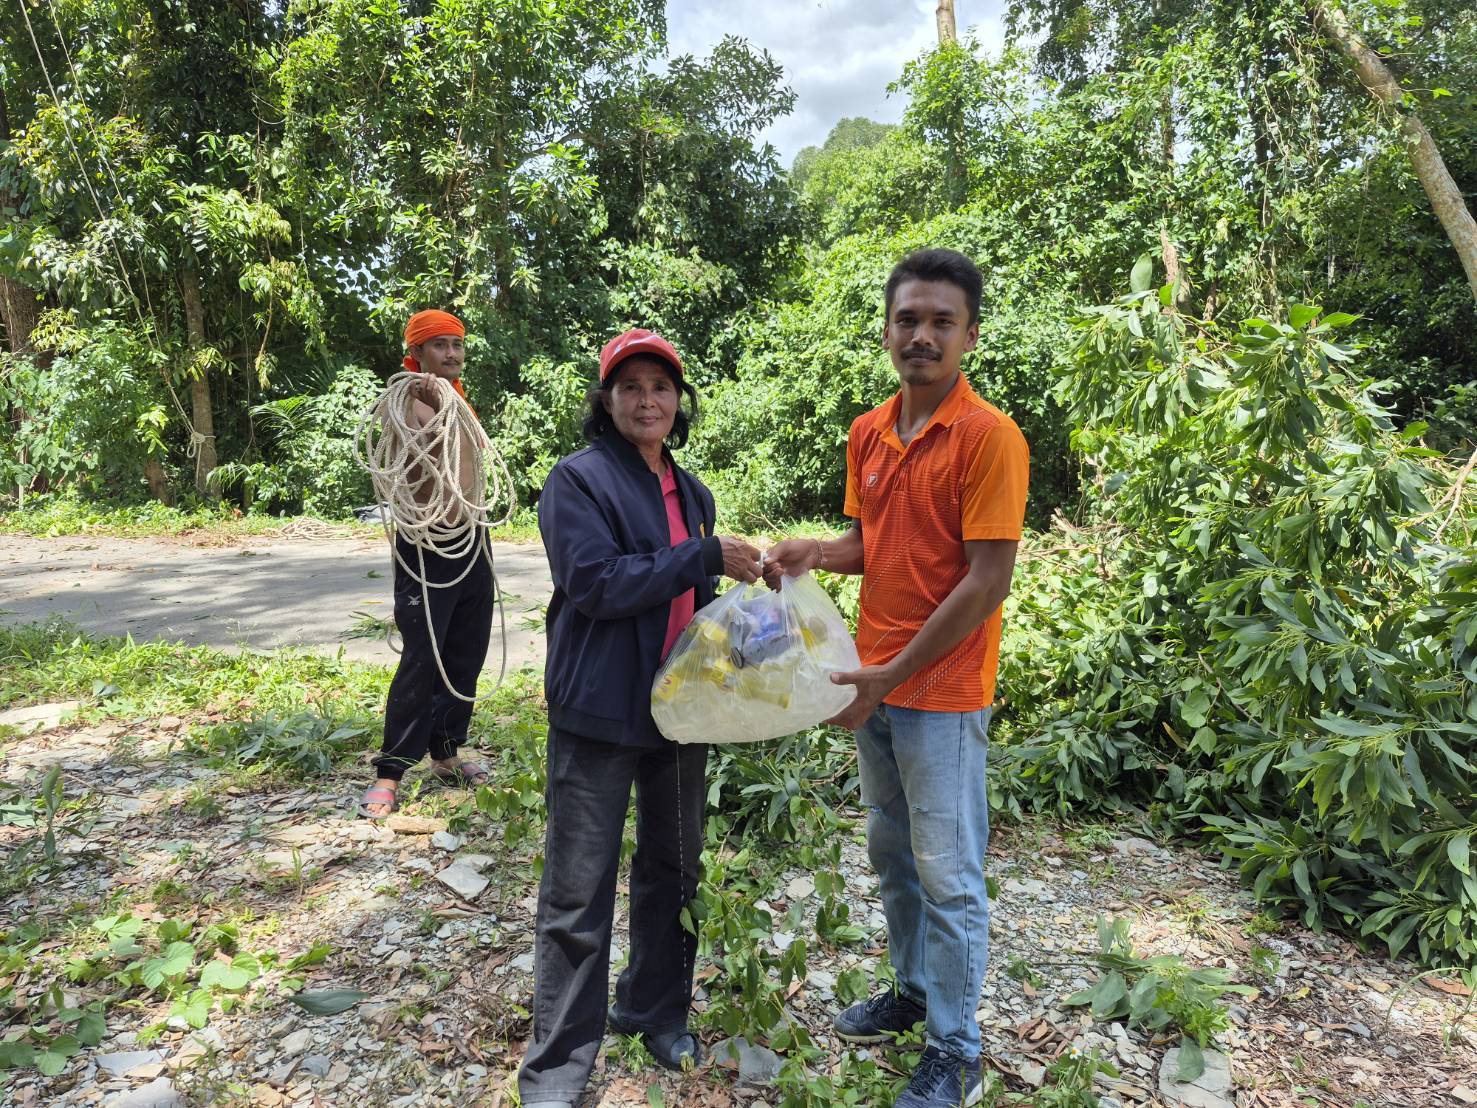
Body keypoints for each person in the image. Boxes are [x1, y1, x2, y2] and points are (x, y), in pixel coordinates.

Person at [764, 249, 1029, 1108]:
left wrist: (891, 674)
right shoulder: (868, 431)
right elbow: (875, 543)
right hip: (871, 681)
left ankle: (956, 1049)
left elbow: (985, 580)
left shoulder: (988, 438)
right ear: (886, 331)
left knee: (947, 873)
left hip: (938, 694)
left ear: (969, 336)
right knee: (891, 853)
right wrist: (817, 553)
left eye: (941, 322)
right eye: (907, 319)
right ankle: (913, 994)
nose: (922, 335)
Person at [518, 328, 761, 1108]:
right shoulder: (577, 481)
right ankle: (557, 1068)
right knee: (576, 893)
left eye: (660, 387)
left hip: (678, 714)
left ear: (678, 402)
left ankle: (654, 1011)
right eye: (631, 387)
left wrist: (752, 627)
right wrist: (703, 558)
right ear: (607, 400)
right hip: (598, 712)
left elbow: (693, 603)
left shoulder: (693, 494)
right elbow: (595, 583)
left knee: (672, 869)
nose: (647, 400)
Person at [359, 309, 494, 819]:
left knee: (466, 648)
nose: (452, 353)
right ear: (416, 352)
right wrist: (435, 409)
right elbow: (419, 465)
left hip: (471, 537)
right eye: (440, 344)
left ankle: (446, 752)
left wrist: (446, 405)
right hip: (425, 541)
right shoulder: (407, 400)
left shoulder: (457, 399)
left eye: (457, 343)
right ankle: (390, 770)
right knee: (423, 654)